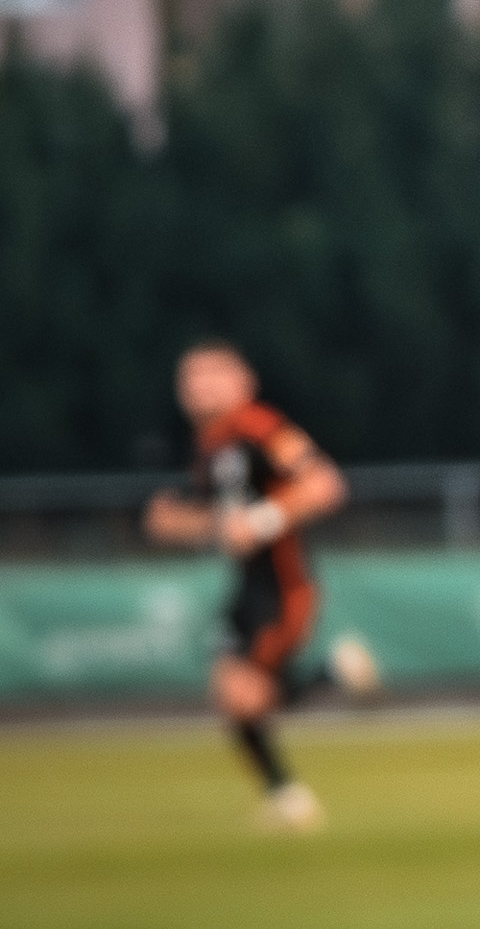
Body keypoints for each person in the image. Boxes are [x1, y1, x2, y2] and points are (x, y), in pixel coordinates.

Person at [143, 342, 378, 830]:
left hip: (285, 587)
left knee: (245, 694)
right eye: (191, 377)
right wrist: (178, 523)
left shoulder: (261, 428)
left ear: (244, 381)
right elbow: (218, 524)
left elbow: (325, 485)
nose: (201, 386)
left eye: (213, 374)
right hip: (246, 588)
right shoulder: (209, 447)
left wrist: (263, 519)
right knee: (232, 693)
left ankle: (328, 683)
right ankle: (286, 792)